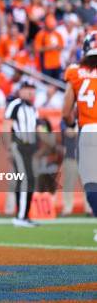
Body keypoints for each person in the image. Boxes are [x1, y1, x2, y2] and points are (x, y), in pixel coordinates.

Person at [62, 32, 97, 216]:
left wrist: (71, 124)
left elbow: (66, 111)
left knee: (91, 181)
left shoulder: (75, 71)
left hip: (89, 129)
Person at [3, 81, 39, 227]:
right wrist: (10, 148)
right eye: (27, 89)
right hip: (19, 145)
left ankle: (24, 215)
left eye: (32, 89)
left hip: (30, 147)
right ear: (21, 90)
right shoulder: (15, 105)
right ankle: (21, 217)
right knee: (25, 180)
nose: (30, 92)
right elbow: (6, 127)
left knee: (28, 180)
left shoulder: (33, 109)